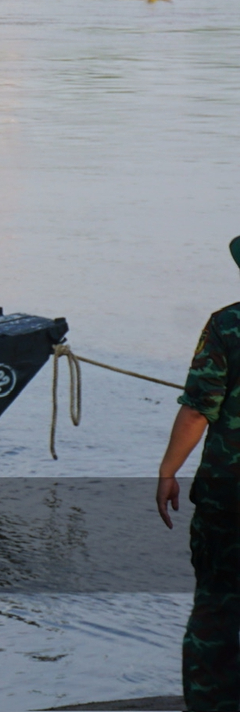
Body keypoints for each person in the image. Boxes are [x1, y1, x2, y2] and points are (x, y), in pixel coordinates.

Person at [157, 235, 240, 712]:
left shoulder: (228, 325)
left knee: (217, 606)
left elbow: (197, 412)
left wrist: (169, 470)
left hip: (228, 500)